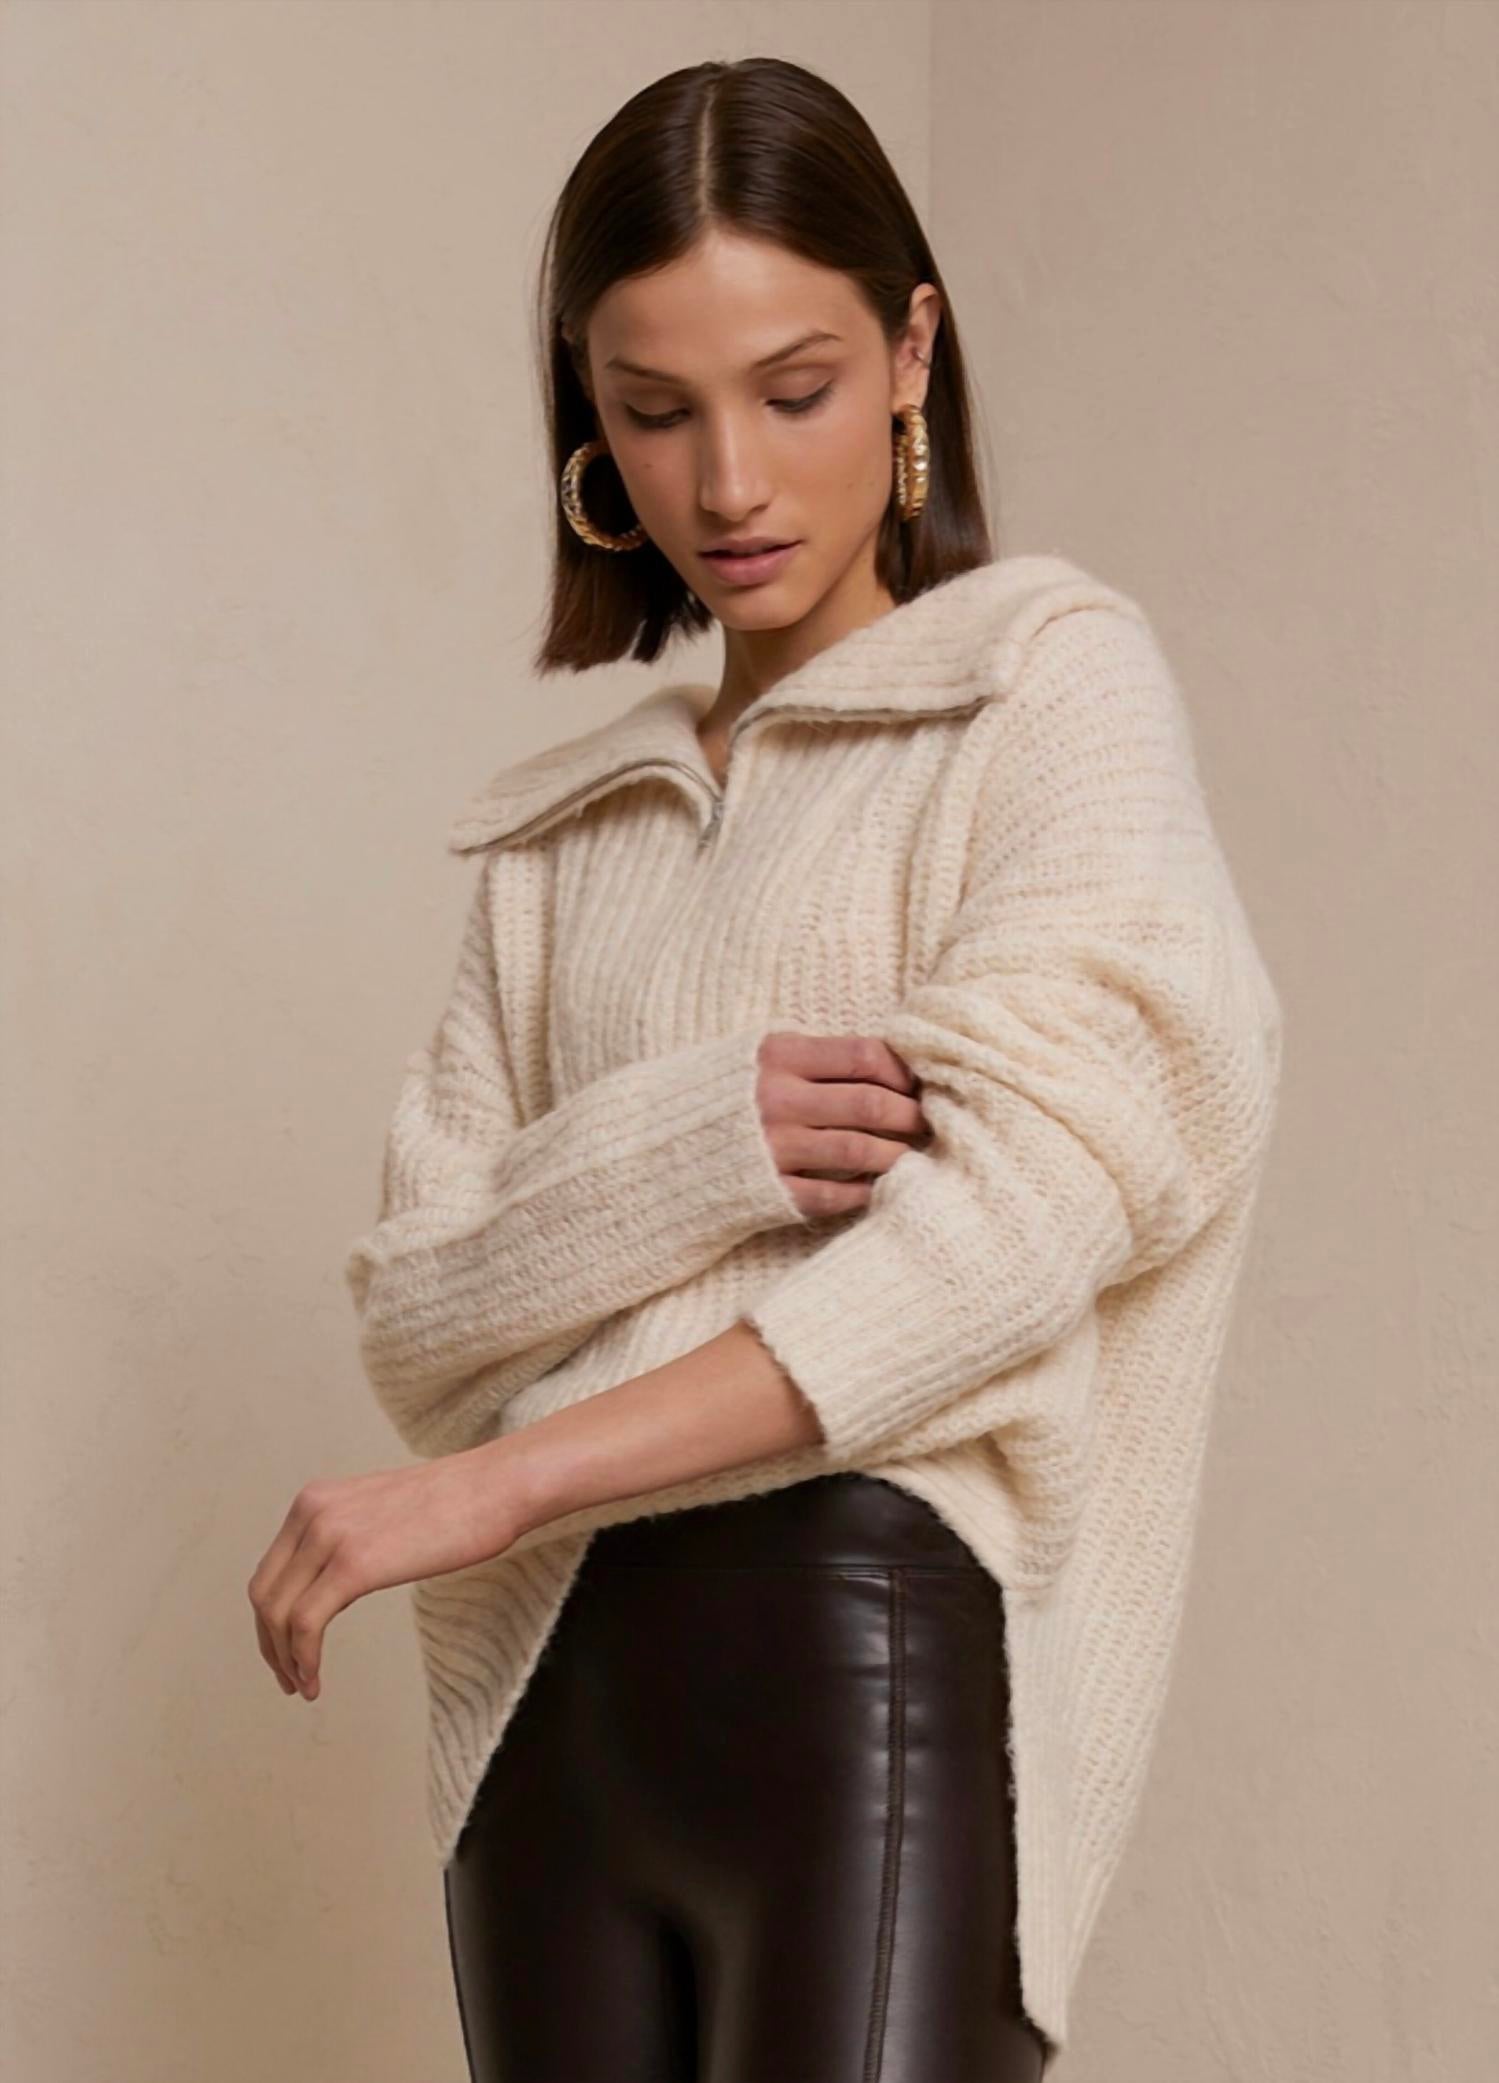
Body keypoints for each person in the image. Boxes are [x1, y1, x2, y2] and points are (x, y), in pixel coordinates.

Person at [247, 55, 1283, 2082]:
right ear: (586, 413)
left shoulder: (1041, 691)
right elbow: (419, 1303)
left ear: (911, 353)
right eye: (654, 411)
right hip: (541, 1712)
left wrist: (500, 1473)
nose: (726, 483)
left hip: (868, 1655)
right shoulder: (559, 838)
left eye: (792, 389)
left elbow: (1000, 1242)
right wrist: (695, 1144)